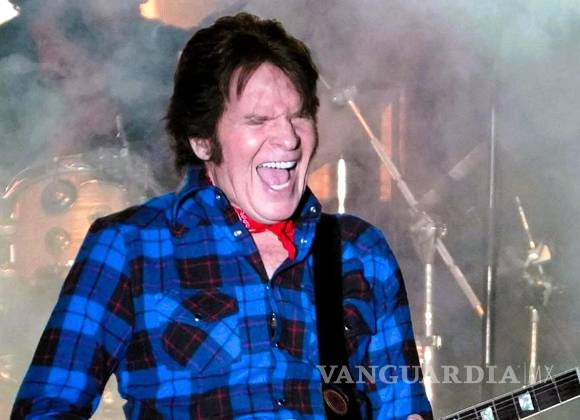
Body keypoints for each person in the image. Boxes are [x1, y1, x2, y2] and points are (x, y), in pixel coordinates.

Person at [11, 13, 432, 419]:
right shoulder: (129, 245)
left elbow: (403, 407)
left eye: (298, 115)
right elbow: (45, 408)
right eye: (258, 120)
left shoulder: (360, 252)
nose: (288, 138)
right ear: (202, 140)